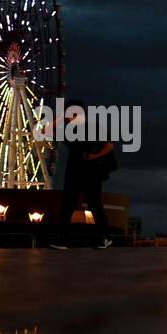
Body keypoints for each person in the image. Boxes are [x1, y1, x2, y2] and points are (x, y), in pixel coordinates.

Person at [50, 99, 115, 249]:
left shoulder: (89, 128)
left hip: (87, 172)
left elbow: (109, 146)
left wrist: (94, 156)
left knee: (88, 205)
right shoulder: (71, 130)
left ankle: (102, 237)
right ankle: (66, 238)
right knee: (74, 205)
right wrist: (62, 118)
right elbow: (45, 131)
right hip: (78, 172)